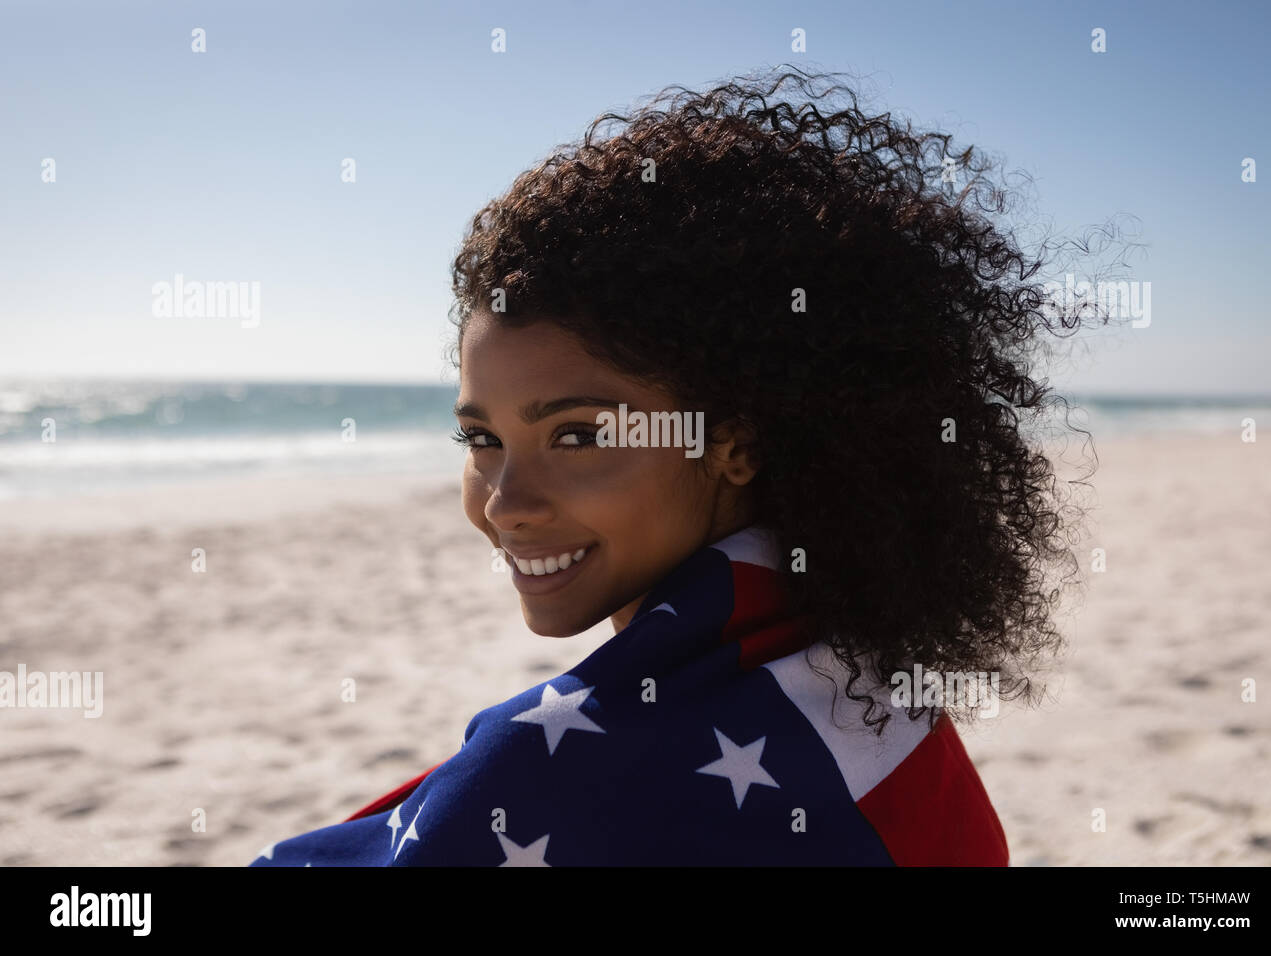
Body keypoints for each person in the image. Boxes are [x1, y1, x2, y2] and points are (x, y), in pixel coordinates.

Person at [251, 64, 1093, 867]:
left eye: (578, 435)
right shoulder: (872, 692)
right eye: (481, 439)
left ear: (734, 442)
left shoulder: (539, 779)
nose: (506, 502)